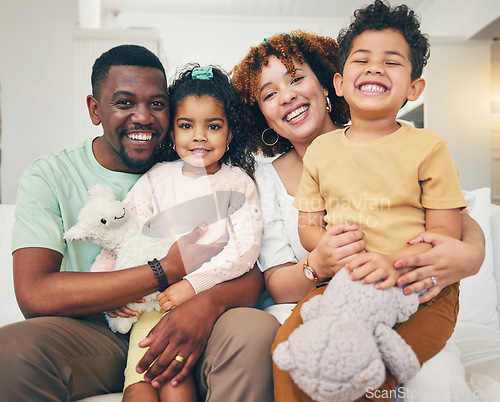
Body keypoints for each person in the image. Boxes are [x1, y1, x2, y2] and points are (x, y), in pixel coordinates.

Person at [0, 44, 280, 402]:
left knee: (253, 330)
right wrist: (164, 270)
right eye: (124, 102)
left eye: (157, 104)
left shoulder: (210, 171)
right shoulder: (51, 175)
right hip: (102, 329)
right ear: (94, 109)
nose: (144, 117)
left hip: (198, 313)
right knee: (11, 351)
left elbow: (249, 263)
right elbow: (35, 294)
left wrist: (201, 304)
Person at [231, 29, 485, 401]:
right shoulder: (261, 180)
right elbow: (277, 282)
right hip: (331, 298)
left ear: (328, 85)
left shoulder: (398, 142)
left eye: (297, 78)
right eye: (269, 94)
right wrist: (318, 261)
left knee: (429, 375)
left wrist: (471, 252)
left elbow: (452, 223)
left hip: (409, 292)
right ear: (262, 116)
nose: (287, 96)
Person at [91, 64, 263, 401]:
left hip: (206, 308)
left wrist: (192, 285)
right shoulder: (156, 179)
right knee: (140, 384)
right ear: (172, 133)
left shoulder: (237, 183)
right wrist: (108, 289)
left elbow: (245, 250)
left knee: (173, 382)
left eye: (213, 126)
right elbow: (120, 234)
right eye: (186, 125)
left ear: (230, 135)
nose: (199, 136)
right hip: (152, 306)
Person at [294, 0, 465, 292]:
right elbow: (309, 226)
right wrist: (330, 247)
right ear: (339, 84)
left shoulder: (429, 147)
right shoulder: (320, 151)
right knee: (293, 335)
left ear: (414, 88)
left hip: (418, 284)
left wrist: (392, 262)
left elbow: (446, 234)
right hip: (346, 281)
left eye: (392, 62)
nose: (374, 68)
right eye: (361, 60)